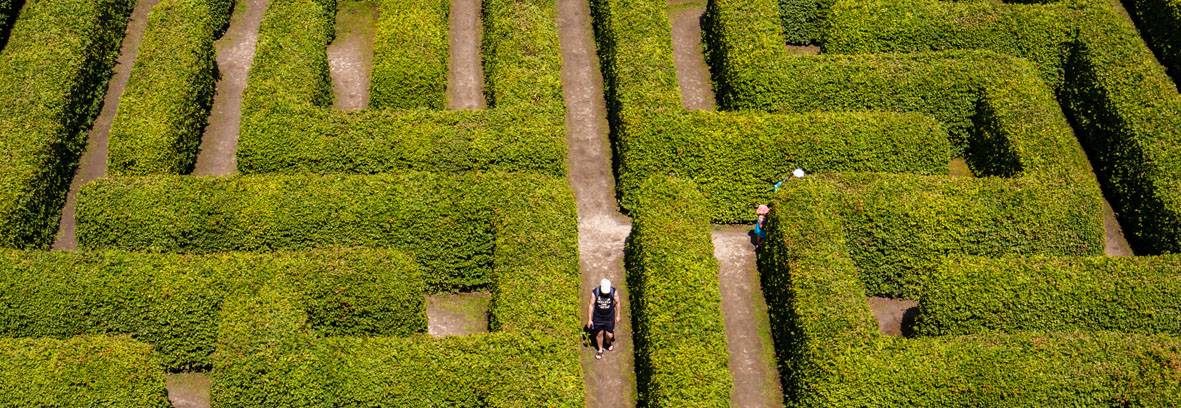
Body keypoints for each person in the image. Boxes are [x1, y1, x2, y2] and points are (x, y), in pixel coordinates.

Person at [586, 278, 620, 360]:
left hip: (609, 317)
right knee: (599, 334)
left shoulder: (613, 291)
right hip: (598, 318)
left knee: (609, 334)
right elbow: (591, 305)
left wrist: (618, 315)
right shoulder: (595, 292)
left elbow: (618, 302)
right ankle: (600, 350)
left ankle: (608, 342)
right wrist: (590, 319)